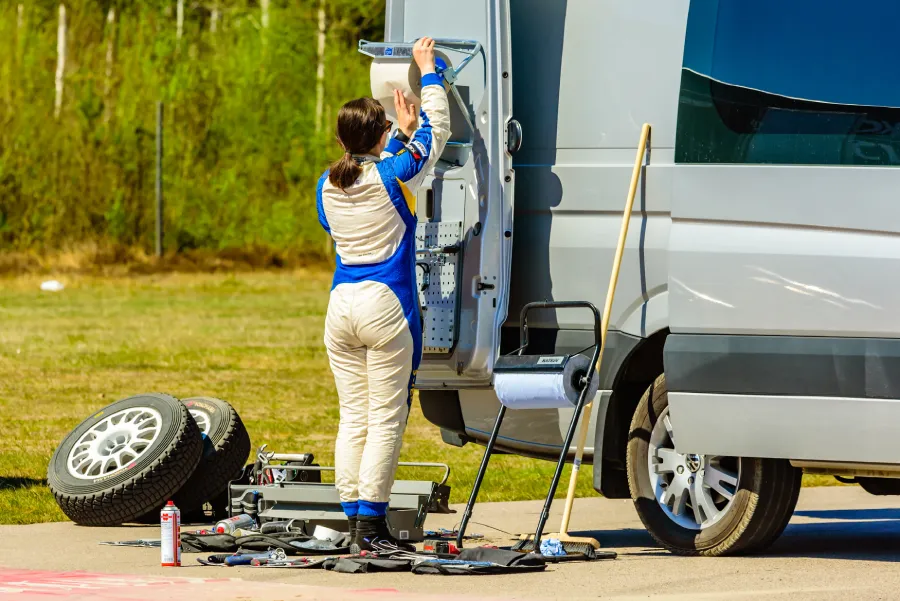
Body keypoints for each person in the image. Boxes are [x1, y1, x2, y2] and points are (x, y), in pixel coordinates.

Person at [316, 37, 450, 551]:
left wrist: (398, 136)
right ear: (377, 138)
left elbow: (374, 171)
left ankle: (354, 524)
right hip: (384, 307)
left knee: (353, 417)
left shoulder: (326, 185)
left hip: (340, 310)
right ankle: (372, 527)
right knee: (386, 419)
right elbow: (436, 135)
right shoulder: (394, 174)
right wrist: (428, 72)